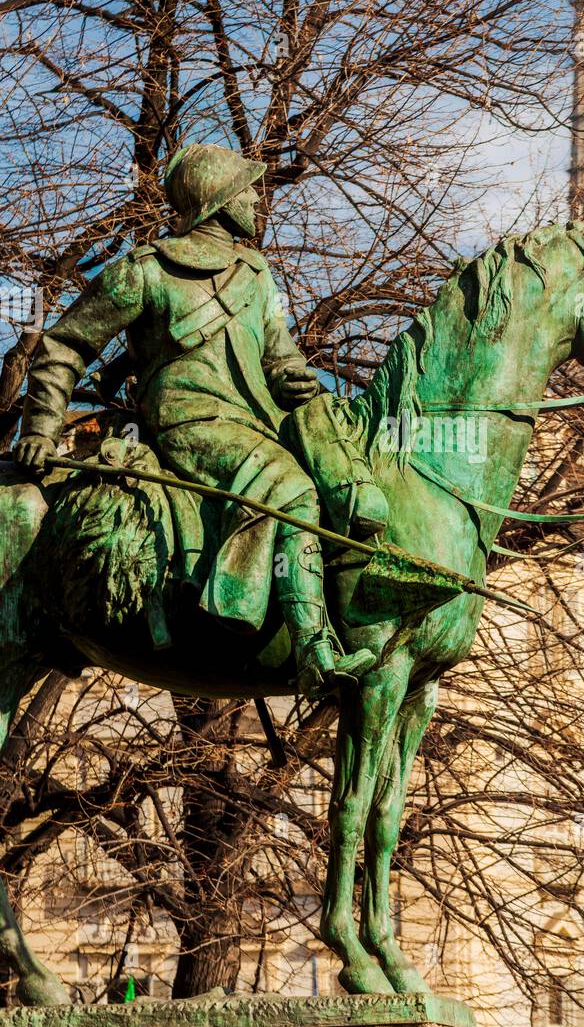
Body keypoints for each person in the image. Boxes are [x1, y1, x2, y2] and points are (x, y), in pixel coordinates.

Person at [14, 143, 389, 697]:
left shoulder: (256, 276)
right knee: (291, 488)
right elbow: (64, 345)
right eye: (246, 191)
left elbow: (279, 356)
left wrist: (293, 378)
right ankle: (314, 649)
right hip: (188, 424)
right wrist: (41, 429)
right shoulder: (147, 272)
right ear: (218, 201)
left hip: (255, 424)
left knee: (349, 486)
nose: (258, 203)